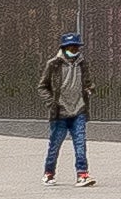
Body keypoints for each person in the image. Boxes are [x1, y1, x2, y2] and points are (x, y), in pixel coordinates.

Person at [39, 32, 94, 186]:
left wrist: (90, 88)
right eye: (70, 47)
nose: (74, 50)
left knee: (80, 143)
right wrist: (52, 103)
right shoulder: (54, 64)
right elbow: (42, 86)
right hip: (60, 113)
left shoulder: (83, 63)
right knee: (55, 145)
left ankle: (82, 174)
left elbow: (88, 81)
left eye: (76, 47)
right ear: (64, 48)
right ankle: (49, 173)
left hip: (79, 110)